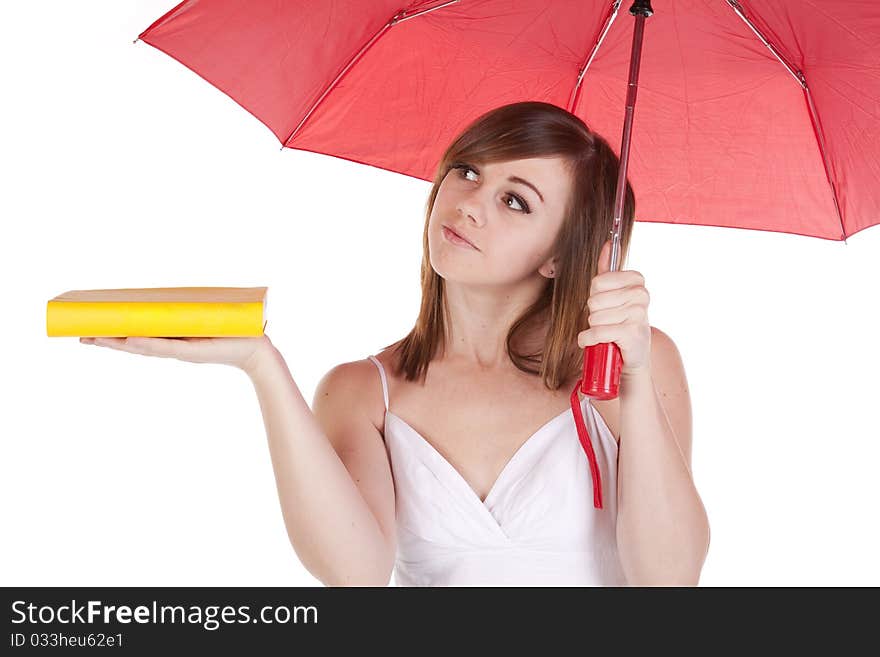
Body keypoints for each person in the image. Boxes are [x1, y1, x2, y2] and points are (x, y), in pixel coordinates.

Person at [80, 101, 710, 587]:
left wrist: (631, 383)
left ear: (561, 256)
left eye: (515, 201)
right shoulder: (364, 392)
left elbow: (670, 577)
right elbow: (353, 574)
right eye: (467, 171)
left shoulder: (633, 363)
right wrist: (259, 364)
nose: (467, 204)